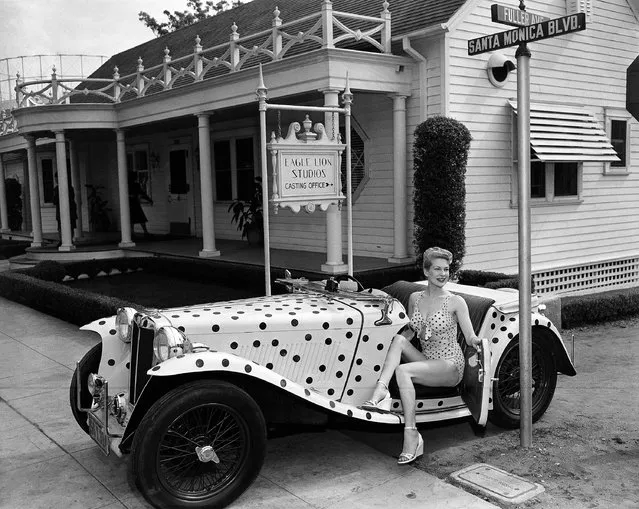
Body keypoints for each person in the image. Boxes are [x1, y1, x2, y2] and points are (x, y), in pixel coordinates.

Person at [360, 247, 483, 465]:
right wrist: (387, 333)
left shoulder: (456, 302)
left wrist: (478, 343)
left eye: (446, 269)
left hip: (449, 364)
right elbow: (410, 331)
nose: (442, 273)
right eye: (437, 268)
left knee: (403, 370)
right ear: (426, 271)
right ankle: (381, 391)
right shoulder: (415, 298)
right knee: (399, 341)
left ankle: (411, 435)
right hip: (427, 360)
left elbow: (470, 336)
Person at [53, 174, 78, 244]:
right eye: (55, 179)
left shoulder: (69, 188)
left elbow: (71, 198)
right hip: (60, 210)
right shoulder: (56, 189)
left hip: (70, 210)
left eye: (57, 178)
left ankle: (70, 240)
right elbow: (54, 201)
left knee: (71, 225)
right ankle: (62, 240)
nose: (56, 180)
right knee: (60, 227)